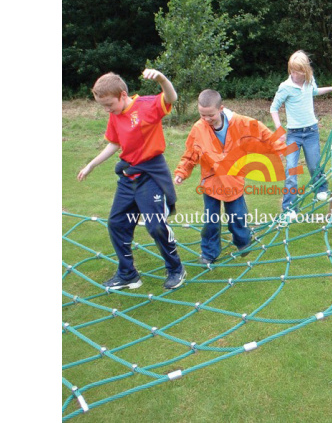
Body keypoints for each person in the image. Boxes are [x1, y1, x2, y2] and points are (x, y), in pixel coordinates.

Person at [77, 69, 186, 290]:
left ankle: (176, 269)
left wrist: (162, 80)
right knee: (116, 223)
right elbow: (114, 143)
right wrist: (91, 164)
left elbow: (171, 98)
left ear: (123, 94)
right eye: (103, 106)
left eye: (109, 104)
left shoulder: (147, 105)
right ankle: (128, 274)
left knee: (155, 226)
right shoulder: (114, 116)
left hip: (151, 175)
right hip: (128, 175)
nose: (107, 110)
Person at [174, 89, 286, 264]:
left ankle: (243, 242)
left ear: (221, 109)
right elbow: (190, 154)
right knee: (211, 222)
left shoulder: (239, 123)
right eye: (202, 115)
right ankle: (209, 254)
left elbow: (262, 134)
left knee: (237, 217)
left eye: (210, 115)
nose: (206, 119)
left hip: (233, 179)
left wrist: (279, 147)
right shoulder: (199, 128)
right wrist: (182, 172)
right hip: (211, 181)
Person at [270, 50, 332, 214]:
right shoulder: (285, 87)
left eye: (300, 71)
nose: (297, 74)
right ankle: (289, 208)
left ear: (306, 70)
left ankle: (321, 188)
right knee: (291, 170)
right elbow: (273, 108)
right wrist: (279, 128)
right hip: (293, 135)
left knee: (314, 165)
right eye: (294, 70)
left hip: (311, 132)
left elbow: (314, 91)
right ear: (290, 69)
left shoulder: (309, 81)